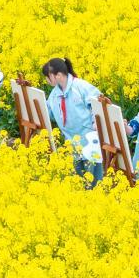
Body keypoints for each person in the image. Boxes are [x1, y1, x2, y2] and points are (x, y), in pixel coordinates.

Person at [43, 57, 104, 188]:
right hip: (70, 142)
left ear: (58, 75)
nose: (47, 81)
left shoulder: (81, 87)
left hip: (89, 139)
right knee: (78, 179)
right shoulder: (54, 95)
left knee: (94, 180)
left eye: (48, 77)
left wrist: (96, 123)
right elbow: (48, 114)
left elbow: (98, 103)